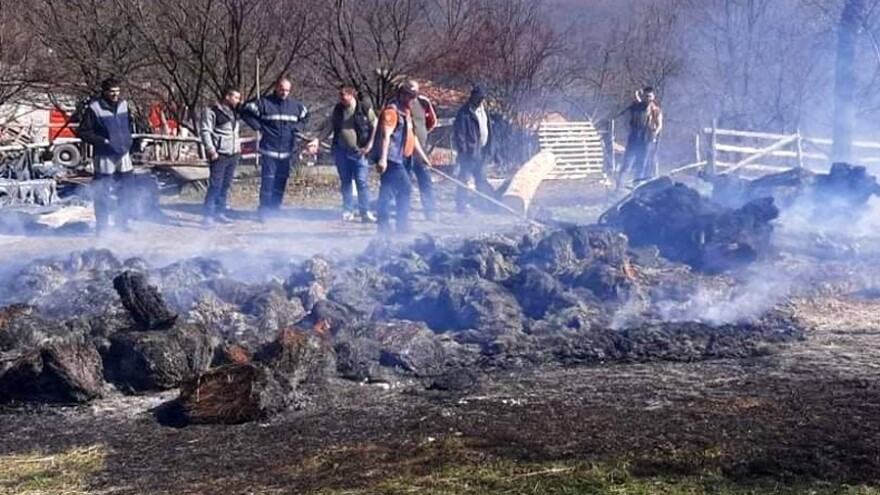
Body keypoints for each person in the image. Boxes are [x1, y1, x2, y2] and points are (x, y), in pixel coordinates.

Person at [240, 76, 316, 221]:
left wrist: (298, 127)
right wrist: (258, 126)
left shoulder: (296, 106)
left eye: (287, 90)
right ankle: (264, 210)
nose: (284, 93)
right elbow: (245, 110)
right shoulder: (264, 103)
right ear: (276, 88)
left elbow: (306, 115)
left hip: (287, 151)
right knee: (267, 182)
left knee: (281, 182)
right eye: (282, 90)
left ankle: (275, 210)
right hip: (269, 149)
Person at [76, 77, 135, 236]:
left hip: (123, 154)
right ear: (104, 92)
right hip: (104, 155)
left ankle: (122, 222)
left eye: (117, 91)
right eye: (112, 92)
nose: (115, 94)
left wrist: (129, 141)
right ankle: (102, 227)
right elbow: (83, 132)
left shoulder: (124, 105)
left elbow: (128, 125)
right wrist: (103, 141)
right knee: (102, 191)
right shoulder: (94, 109)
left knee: (126, 190)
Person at [373, 80, 432, 235]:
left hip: (403, 158)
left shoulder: (406, 113)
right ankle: (399, 224)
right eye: (410, 96)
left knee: (388, 190)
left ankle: (387, 224)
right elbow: (386, 136)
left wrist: (422, 156)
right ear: (401, 95)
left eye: (414, 96)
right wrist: (383, 159)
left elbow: (412, 137)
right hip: (392, 159)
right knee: (405, 187)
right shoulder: (391, 113)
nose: (413, 100)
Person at [318, 85, 377, 223]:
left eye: (345, 98)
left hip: (359, 151)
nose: (343, 101)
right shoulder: (338, 109)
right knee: (345, 182)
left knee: (361, 182)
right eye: (341, 98)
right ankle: (348, 210)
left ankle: (365, 211)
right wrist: (318, 140)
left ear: (352, 95)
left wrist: (369, 145)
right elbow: (330, 126)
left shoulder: (364, 107)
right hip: (341, 151)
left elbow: (375, 125)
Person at [199, 87, 242, 228]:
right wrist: (211, 150)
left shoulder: (235, 112)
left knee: (225, 185)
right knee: (215, 186)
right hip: (219, 154)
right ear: (227, 96)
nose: (238, 101)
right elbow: (205, 131)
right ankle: (208, 215)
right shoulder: (212, 111)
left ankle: (220, 212)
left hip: (233, 153)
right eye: (236, 97)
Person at [452, 84, 495, 215]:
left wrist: (490, 148)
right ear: (473, 96)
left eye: (482, 98)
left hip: (482, 152)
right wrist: (464, 152)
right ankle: (461, 208)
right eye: (479, 97)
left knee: (481, 180)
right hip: (469, 154)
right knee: (464, 181)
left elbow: (488, 128)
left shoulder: (484, 109)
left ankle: (483, 205)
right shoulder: (464, 113)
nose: (481, 100)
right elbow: (459, 135)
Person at [616, 86, 663, 185]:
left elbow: (659, 125)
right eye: (646, 96)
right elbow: (635, 101)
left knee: (641, 165)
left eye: (650, 96)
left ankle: (636, 186)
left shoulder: (656, 110)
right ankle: (619, 188)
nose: (648, 98)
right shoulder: (637, 107)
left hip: (646, 140)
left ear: (653, 97)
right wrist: (636, 93)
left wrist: (654, 134)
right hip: (634, 139)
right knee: (627, 165)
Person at [406, 81, 438, 221]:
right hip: (404, 151)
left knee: (425, 181)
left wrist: (423, 133)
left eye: (414, 91)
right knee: (404, 183)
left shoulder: (423, 102)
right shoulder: (398, 104)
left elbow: (432, 121)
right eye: (409, 91)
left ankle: (430, 213)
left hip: (421, 149)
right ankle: (404, 214)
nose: (412, 95)